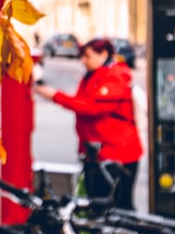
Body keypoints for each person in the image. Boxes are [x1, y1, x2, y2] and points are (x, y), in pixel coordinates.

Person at [33, 37, 144, 210]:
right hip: (97, 153)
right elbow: (81, 102)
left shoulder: (114, 77)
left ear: (103, 55)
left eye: (87, 56)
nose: (83, 61)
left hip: (117, 154)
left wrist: (55, 95)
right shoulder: (93, 75)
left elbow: (91, 108)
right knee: (98, 204)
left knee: (121, 206)